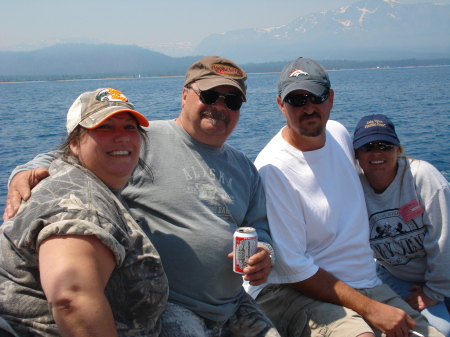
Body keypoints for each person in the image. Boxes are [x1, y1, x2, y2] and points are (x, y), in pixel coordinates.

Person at [2, 56, 280, 337]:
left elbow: (259, 228)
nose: (220, 107)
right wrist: (23, 173)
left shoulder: (245, 167)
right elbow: (71, 157)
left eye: (232, 101)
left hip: (232, 305)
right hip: (171, 307)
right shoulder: (139, 140)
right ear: (185, 95)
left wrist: (265, 254)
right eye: (210, 96)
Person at [244, 57, 444, 337]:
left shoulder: (338, 133)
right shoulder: (273, 169)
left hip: (364, 284)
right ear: (280, 105)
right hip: (294, 289)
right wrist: (371, 310)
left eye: (317, 96)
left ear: (331, 99)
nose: (309, 107)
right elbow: (293, 266)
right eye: (297, 100)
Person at [0, 88, 169, 337]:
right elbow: (72, 300)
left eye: (130, 127)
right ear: (75, 142)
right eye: (105, 127)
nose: (121, 137)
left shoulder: (84, 176)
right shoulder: (81, 203)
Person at [353, 114, 450, 336]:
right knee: (441, 329)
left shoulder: (423, 177)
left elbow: (444, 241)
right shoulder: (352, 186)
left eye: (385, 145)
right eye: (367, 146)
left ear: (398, 149)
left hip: (442, 274)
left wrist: (433, 293)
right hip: (399, 275)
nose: (376, 152)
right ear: (356, 154)